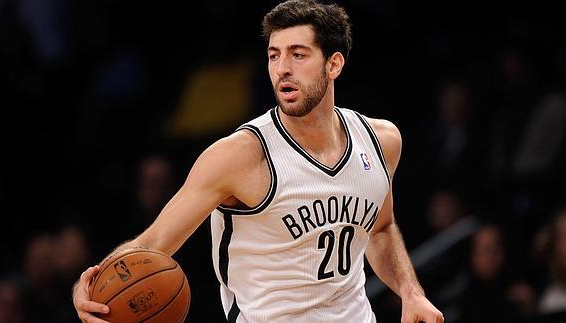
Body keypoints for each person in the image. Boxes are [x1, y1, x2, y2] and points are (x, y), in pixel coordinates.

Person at [72, 1, 444, 322]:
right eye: (273, 55)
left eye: (298, 54)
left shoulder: (381, 141)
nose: (282, 68)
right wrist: (91, 284)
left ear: (334, 65)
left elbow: (379, 230)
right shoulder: (240, 156)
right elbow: (152, 243)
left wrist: (411, 292)